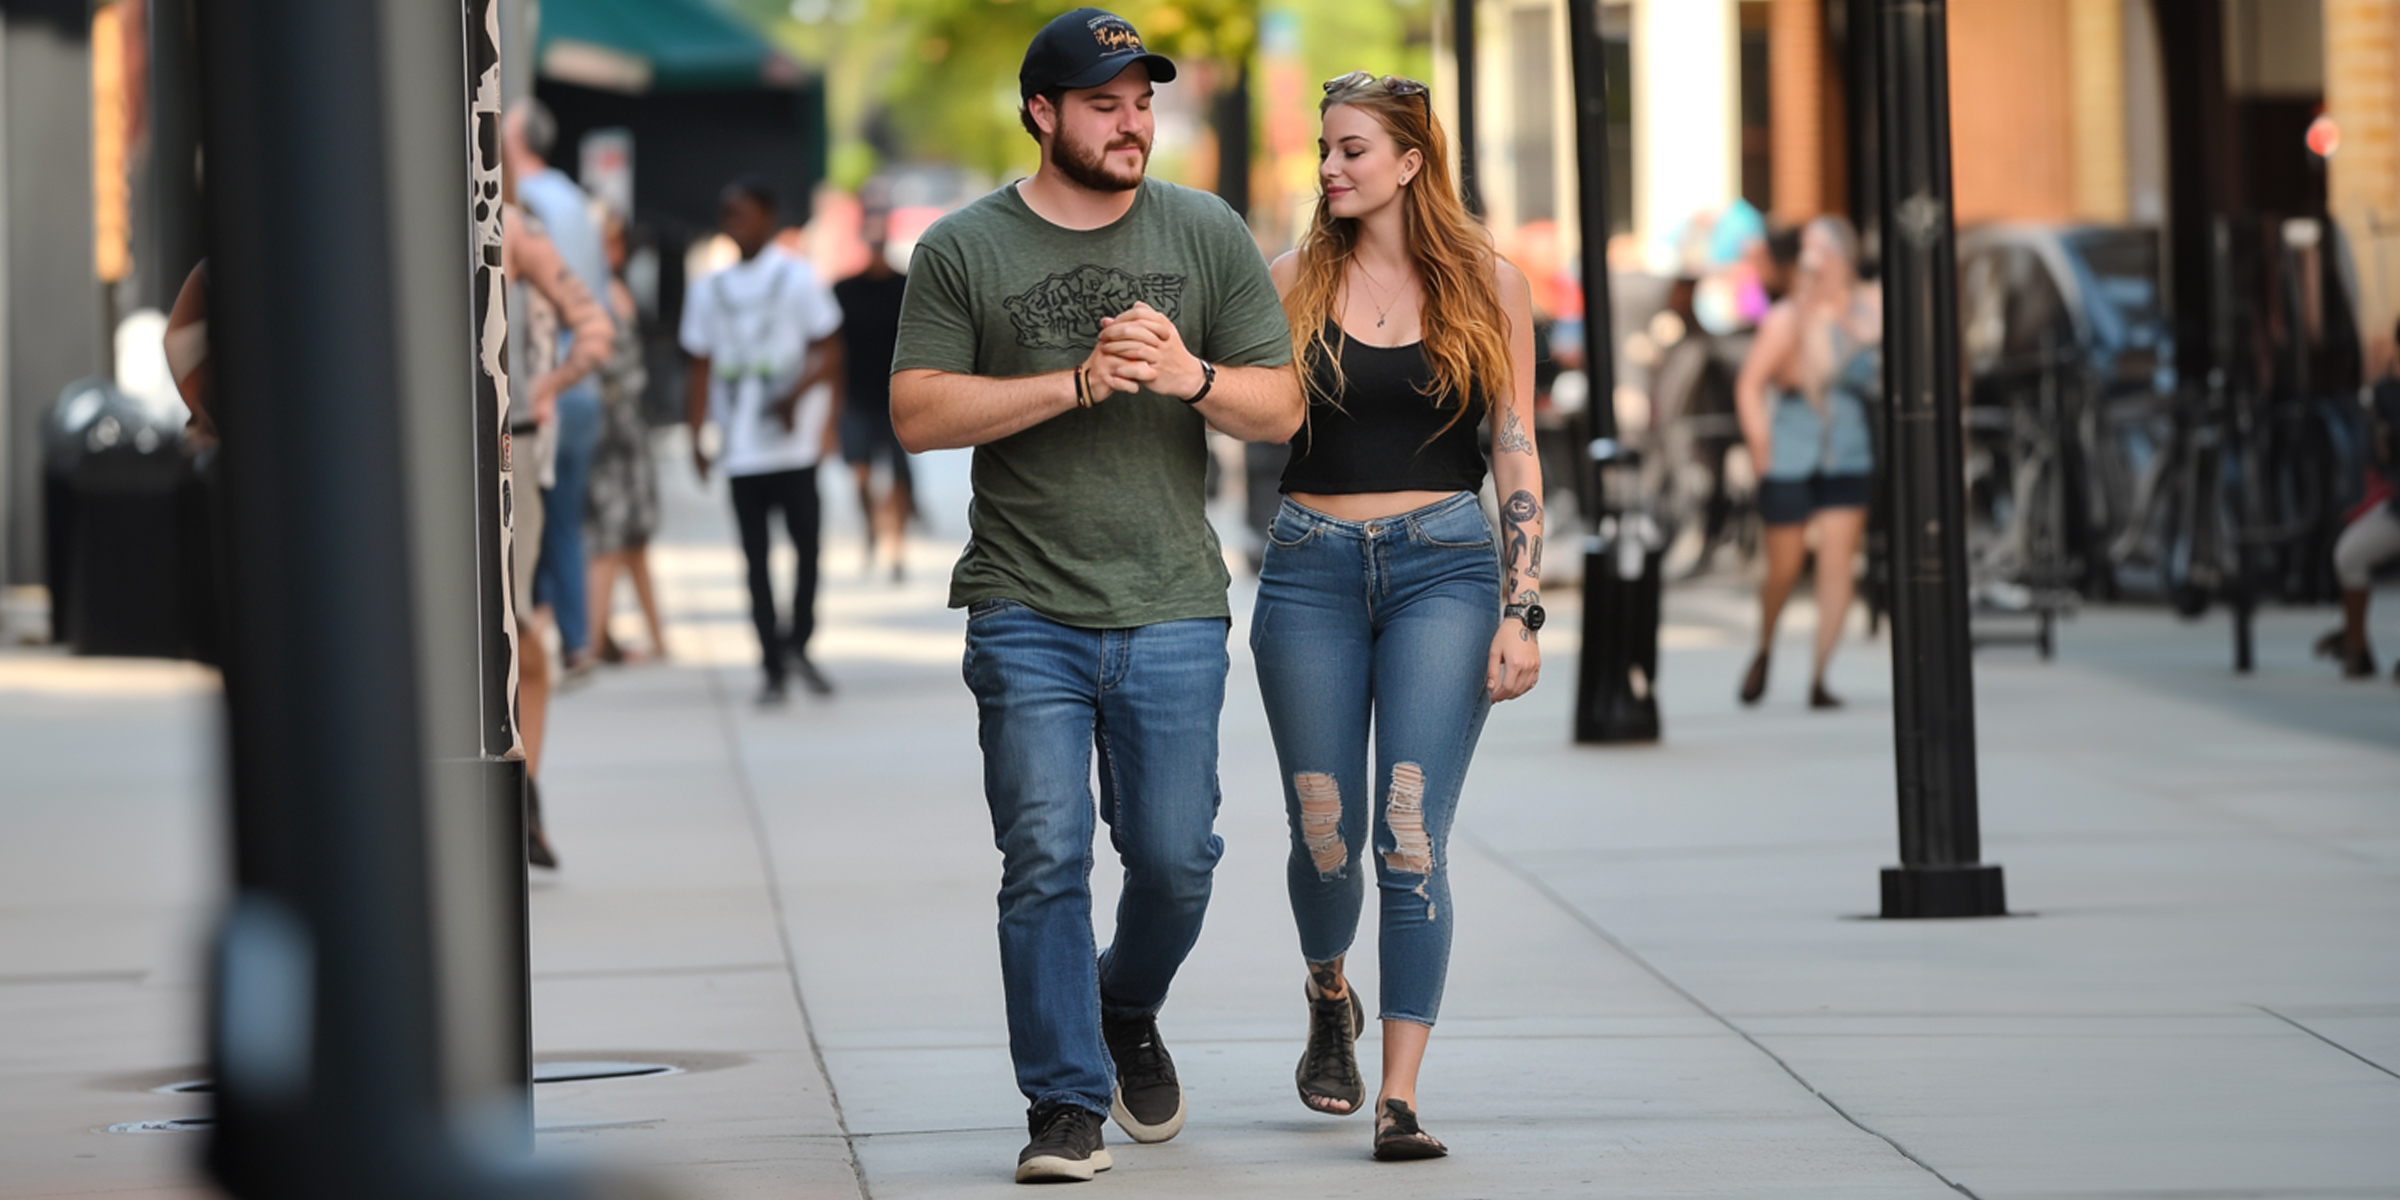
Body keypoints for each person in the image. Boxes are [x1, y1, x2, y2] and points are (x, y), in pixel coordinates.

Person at [889, 9, 1301, 1184]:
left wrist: (1191, 377)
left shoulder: (1207, 230)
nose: (1132, 124)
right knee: (1046, 857)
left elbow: (1277, 410)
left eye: (1143, 102)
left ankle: (1124, 1006)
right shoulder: (966, 249)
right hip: (1025, 603)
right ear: (1043, 112)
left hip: (1173, 599)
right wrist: (1071, 383)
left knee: (1177, 860)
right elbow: (917, 412)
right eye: (1106, 103)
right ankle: (1062, 1105)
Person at [1251, 69, 1542, 1164]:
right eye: (1325, 149)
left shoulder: (1488, 283)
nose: (1330, 167)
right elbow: (1247, 415)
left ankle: (1401, 1096)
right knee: (1325, 837)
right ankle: (1331, 990)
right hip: (1309, 569)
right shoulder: (1287, 279)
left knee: (1409, 837)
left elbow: (1514, 447)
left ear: (1413, 161)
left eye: (1353, 149)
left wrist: (1524, 608)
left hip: (1445, 573)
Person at [681, 177, 845, 705]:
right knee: (754, 560)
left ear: (769, 218)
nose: (735, 223)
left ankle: (799, 642)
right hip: (742, 449)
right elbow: (700, 365)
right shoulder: (709, 289)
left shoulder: (798, 279)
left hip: (793, 448)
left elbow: (830, 351)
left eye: (744, 213)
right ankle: (771, 664)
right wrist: (696, 435)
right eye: (727, 213)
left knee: (807, 551)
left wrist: (812, 410)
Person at [504, 198, 615, 866]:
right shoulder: (509, 222)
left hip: (500, 451)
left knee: (512, 629)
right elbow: (594, 329)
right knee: (512, 630)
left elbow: (593, 328)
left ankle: (523, 792)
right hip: (503, 446)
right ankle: (524, 789)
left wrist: (546, 386)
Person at [1733, 215, 1880, 708]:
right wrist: (1760, 449)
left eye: (1824, 253)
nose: (1814, 264)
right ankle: (1766, 644)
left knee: (1838, 565)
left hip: (1848, 451)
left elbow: (1876, 360)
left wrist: (1837, 319)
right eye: (1807, 254)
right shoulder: (1786, 318)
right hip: (1791, 455)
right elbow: (1751, 384)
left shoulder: (1867, 308)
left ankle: (1820, 676)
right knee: (1785, 567)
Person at [505, 98, 612, 680]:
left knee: (533, 534)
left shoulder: (523, 211)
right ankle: (576, 643)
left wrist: (547, 381)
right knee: (563, 525)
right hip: (578, 389)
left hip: (536, 396)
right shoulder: (574, 198)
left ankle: (559, 644)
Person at [585, 209, 668, 663]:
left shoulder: (599, 291)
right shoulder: (599, 293)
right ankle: (595, 640)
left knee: (632, 538)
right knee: (613, 537)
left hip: (622, 427)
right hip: (614, 429)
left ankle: (655, 638)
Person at [832, 204, 916, 582]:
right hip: (858, 395)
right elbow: (832, 350)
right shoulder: (844, 291)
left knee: (898, 477)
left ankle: (896, 546)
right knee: (862, 476)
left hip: (898, 397)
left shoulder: (907, 287)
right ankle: (872, 529)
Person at [2315, 321, 2400, 678]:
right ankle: (2356, 645)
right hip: (2398, 508)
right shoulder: (2385, 394)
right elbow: (2379, 459)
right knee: (2350, 552)